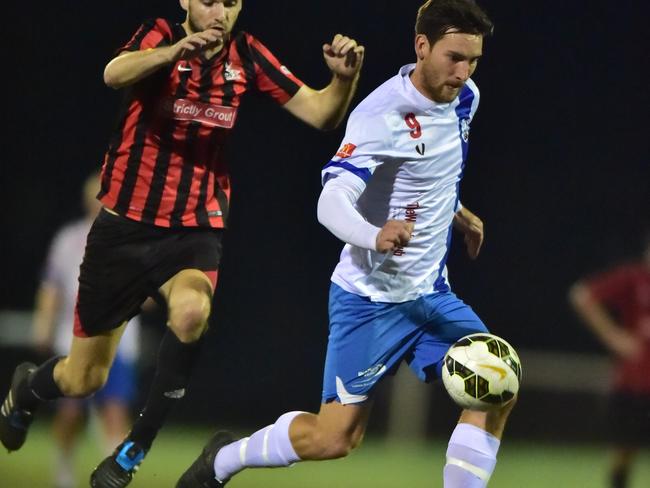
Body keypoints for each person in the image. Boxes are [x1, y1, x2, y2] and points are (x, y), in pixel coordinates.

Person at [0, 0, 365, 487]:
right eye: (210, 1)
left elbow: (321, 114)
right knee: (83, 379)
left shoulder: (246, 55)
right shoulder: (158, 33)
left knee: (193, 312)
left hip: (193, 231)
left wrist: (342, 80)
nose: (221, 12)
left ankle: (134, 448)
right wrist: (172, 52)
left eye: (231, 3)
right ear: (186, 3)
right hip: (123, 230)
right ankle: (28, 388)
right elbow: (114, 73)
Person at [177, 1, 516, 487]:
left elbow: (430, 171)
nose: (464, 72)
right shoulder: (381, 115)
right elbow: (330, 201)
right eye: (454, 57)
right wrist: (373, 235)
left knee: (498, 383)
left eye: (474, 60)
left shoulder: (465, 98)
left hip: (431, 296)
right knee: (334, 439)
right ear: (421, 46)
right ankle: (224, 459)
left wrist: (455, 213)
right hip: (368, 301)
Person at [32, 172, 141, 488]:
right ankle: (64, 466)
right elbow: (51, 287)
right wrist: (43, 324)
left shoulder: (130, 239)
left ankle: (115, 476)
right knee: (70, 412)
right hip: (73, 337)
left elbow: (145, 292)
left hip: (119, 340)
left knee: (115, 412)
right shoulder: (68, 239)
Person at [568, 238, 650, 488]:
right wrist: (614, 337)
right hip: (634, 383)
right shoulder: (635, 278)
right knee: (624, 451)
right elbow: (582, 295)